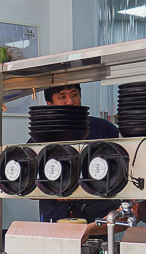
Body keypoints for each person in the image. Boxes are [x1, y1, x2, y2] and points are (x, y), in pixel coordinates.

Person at [33, 84, 121, 223]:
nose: (70, 101)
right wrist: (55, 190)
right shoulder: (40, 137)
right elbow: (29, 186)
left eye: (74, 95)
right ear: (50, 104)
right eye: (62, 97)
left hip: (100, 220)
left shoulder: (104, 129)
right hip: (56, 220)